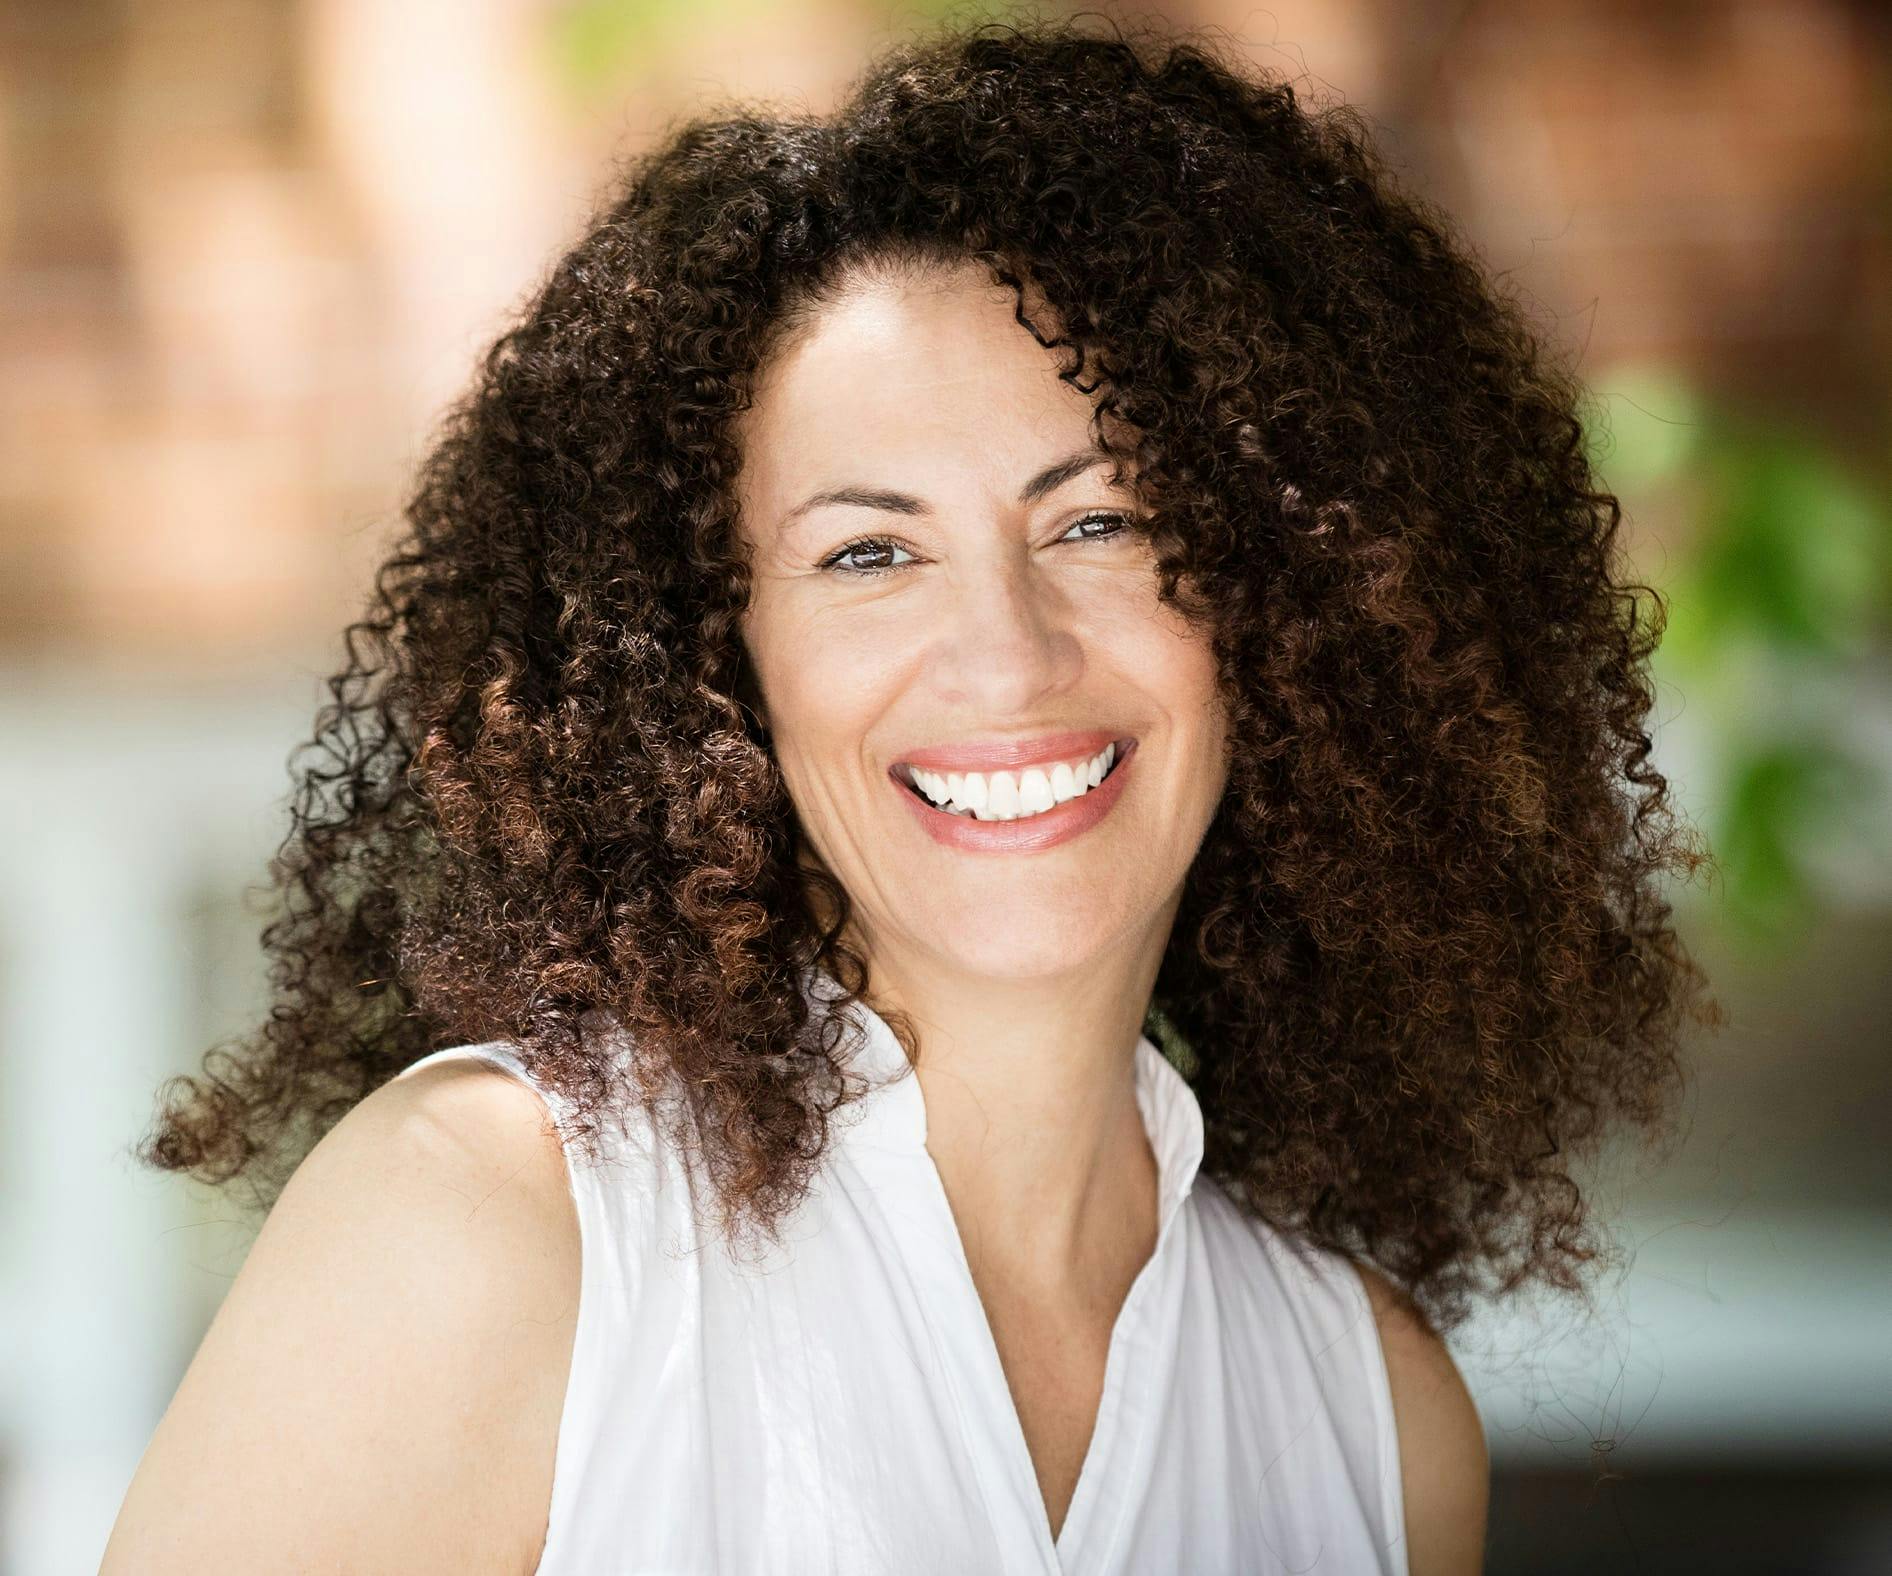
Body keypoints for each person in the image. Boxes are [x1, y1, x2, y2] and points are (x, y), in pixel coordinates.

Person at [102, 16, 1719, 1575]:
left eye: (1103, 523)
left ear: (1295, 597)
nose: (1007, 659)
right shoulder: (495, 1229)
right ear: (710, 659)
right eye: (869, 553)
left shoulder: (1375, 1421)